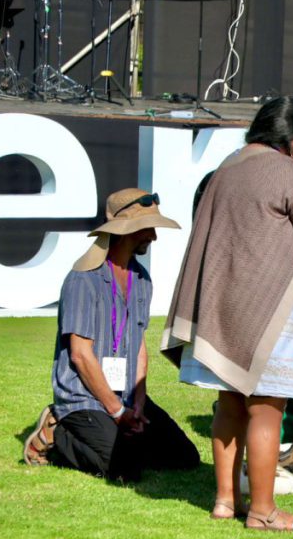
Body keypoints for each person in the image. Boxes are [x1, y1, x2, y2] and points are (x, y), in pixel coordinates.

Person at [162, 96, 293, 532]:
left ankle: (225, 500)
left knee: (229, 404)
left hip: (220, 304)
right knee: (266, 409)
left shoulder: (226, 167)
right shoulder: (286, 170)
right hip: (270, 310)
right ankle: (263, 510)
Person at [23, 189, 200, 481]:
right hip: (84, 399)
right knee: (126, 471)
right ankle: (57, 434)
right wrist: (117, 411)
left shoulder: (141, 278)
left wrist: (139, 402)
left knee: (184, 457)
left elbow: (140, 345)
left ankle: (123, 437)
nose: (153, 237)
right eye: (148, 229)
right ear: (125, 230)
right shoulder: (83, 279)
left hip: (127, 398)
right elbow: (80, 355)